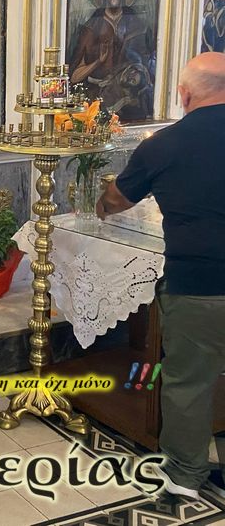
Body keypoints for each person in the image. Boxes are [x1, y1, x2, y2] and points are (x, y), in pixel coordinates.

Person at [96, 51, 225, 501]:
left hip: (201, 285)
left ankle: (185, 476)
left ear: (184, 95)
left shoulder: (165, 145)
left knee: (190, 381)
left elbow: (115, 201)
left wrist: (101, 203)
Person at [69, 0, 155, 122]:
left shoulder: (137, 25)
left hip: (129, 101)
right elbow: (74, 77)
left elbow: (147, 65)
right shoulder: (91, 28)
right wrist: (98, 62)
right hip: (97, 100)